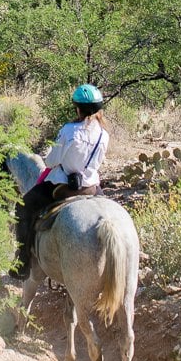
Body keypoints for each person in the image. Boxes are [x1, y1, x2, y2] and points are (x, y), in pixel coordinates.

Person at [13, 84, 109, 278]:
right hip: (90, 187)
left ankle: (22, 261)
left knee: (23, 207)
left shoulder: (68, 130)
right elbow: (98, 162)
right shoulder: (103, 135)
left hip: (62, 186)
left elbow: (51, 161)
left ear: (78, 109)